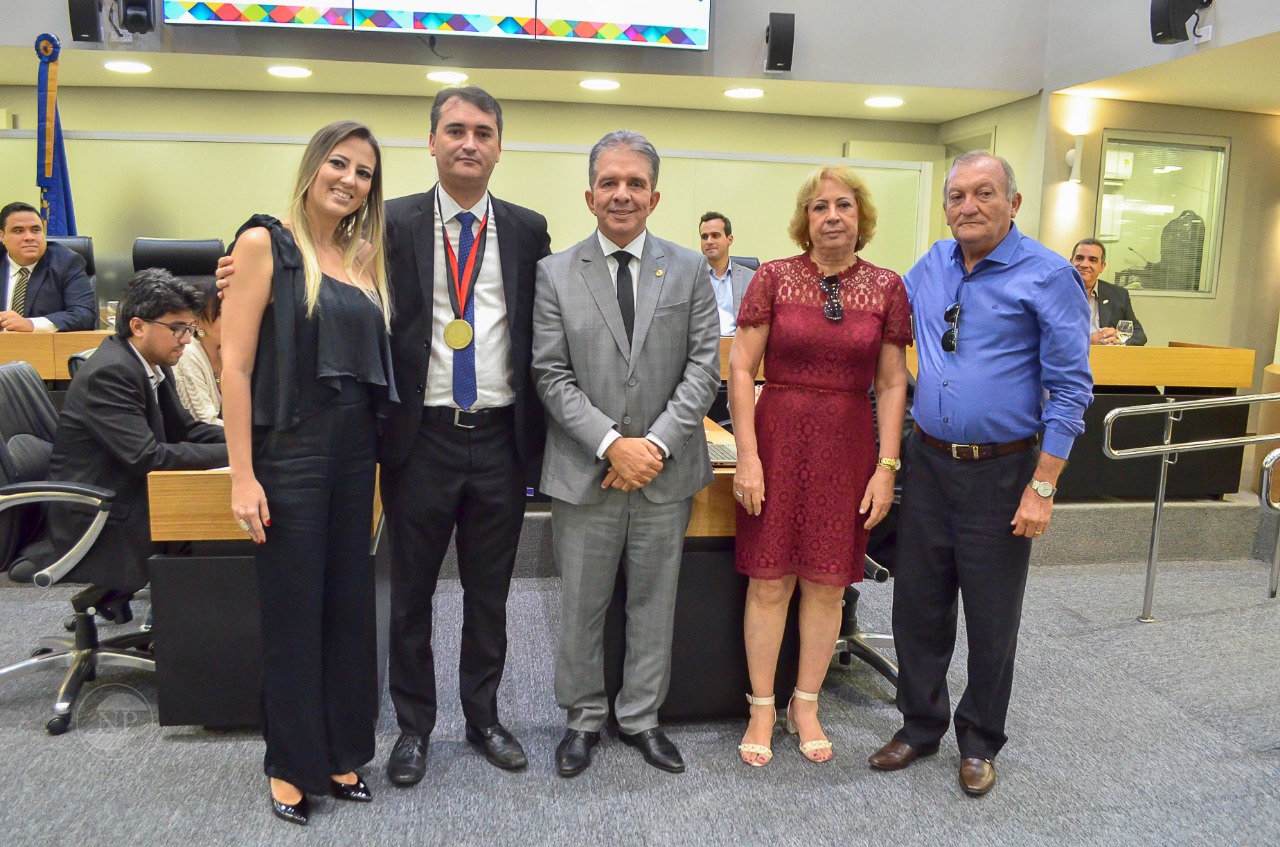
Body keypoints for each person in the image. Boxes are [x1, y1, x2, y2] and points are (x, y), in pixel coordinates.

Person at [868, 152, 1091, 796]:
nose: (968, 206)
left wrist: (1042, 486)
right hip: (928, 462)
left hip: (1003, 471)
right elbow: (882, 323)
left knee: (992, 616)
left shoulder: (1049, 276)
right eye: (957, 195)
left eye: (984, 194)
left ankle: (979, 741)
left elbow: (1072, 390)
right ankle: (918, 725)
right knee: (918, 605)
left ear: (1014, 203)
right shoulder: (932, 264)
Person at [221, 120, 396, 826]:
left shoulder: (359, 259)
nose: (350, 179)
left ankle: (339, 748)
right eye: (340, 163)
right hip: (289, 453)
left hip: (357, 456)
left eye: (364, 173)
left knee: (348, 608)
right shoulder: (265, 243)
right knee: (294, 613)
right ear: (313, 166)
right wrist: (241, 475)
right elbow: (233, 365)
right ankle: (289, 763)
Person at [532, 130, 720, 778]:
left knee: (653, 601)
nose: (621, 194)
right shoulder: (554, 272)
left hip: (666, 474)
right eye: (609, 182)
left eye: (634, 183)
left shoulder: (691, 269)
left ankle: (641, 717)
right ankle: (582, 717)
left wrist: (656, 445)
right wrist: (615, 444)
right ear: (589, 195)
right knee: (581, 605)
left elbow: (703, 368)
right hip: (587, 473)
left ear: (655, 195)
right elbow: (550, 375)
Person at [379, 87, 551, 782]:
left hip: (500, 439)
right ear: (431, 142)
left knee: (490, 591)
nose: (469, 143)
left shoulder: (529, 227)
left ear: (499, 145)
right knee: (412, 591)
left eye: (483, 131)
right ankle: (414, 727)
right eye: (455, 130)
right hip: (420, 437)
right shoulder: (390, 221)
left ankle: (483, 716)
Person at [728, 166, 910, 766]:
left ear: (862, 218)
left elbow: (889, 383)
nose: (832, 216)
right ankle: (761, 705)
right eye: (819, 207)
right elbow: (740, 368)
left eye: (844, 206)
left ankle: (805, 702)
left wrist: (887, 466)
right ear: (804, 219)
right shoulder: (774, 278)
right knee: (769, 580)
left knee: (828, 583)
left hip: (848, 447)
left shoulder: (886, 287)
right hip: (776, 441)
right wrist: (748, 457)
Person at [44, 268, 226, 604]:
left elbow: (187, 430)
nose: (187, 339)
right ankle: (189, 628)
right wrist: (242, 457)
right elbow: (148, 457)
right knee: (215, 525)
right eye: (177, 329)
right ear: (138, 326)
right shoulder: (112, 372)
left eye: (190, 328)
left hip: (125, 495)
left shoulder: (151, 362)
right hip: (99, 516)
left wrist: (246, 442)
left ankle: (186, 622)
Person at [0, 201, 96, 332]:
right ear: (2, 236)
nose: (29, 237)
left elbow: (84, 315)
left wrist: (31, 325)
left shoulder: (67, 263)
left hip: (45, 348)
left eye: (36, 230)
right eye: (18, 231)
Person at [1070, 237, 1148, 346]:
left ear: (1102, 267)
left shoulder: (1118, 295)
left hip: (1106, 359)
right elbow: (1045, 335)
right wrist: (1089, 340)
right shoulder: (1054, 293)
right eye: (1079, 258)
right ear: (1071, 262)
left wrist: (1120, 340)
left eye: (1092, 260)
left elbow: (1139, 334)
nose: (1084, 264)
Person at [172, 277, 223, 424]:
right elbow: (204, 423)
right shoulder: (187, 355)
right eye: (221, 313)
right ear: (197, 323)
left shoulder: (230, 354)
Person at [698, 211, 755, 336]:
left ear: (730, 239)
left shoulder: (751, 279)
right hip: (701, 349)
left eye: (715, 235)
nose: (709, 241)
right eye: (704, 237)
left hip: (738, 348)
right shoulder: (691, 278)